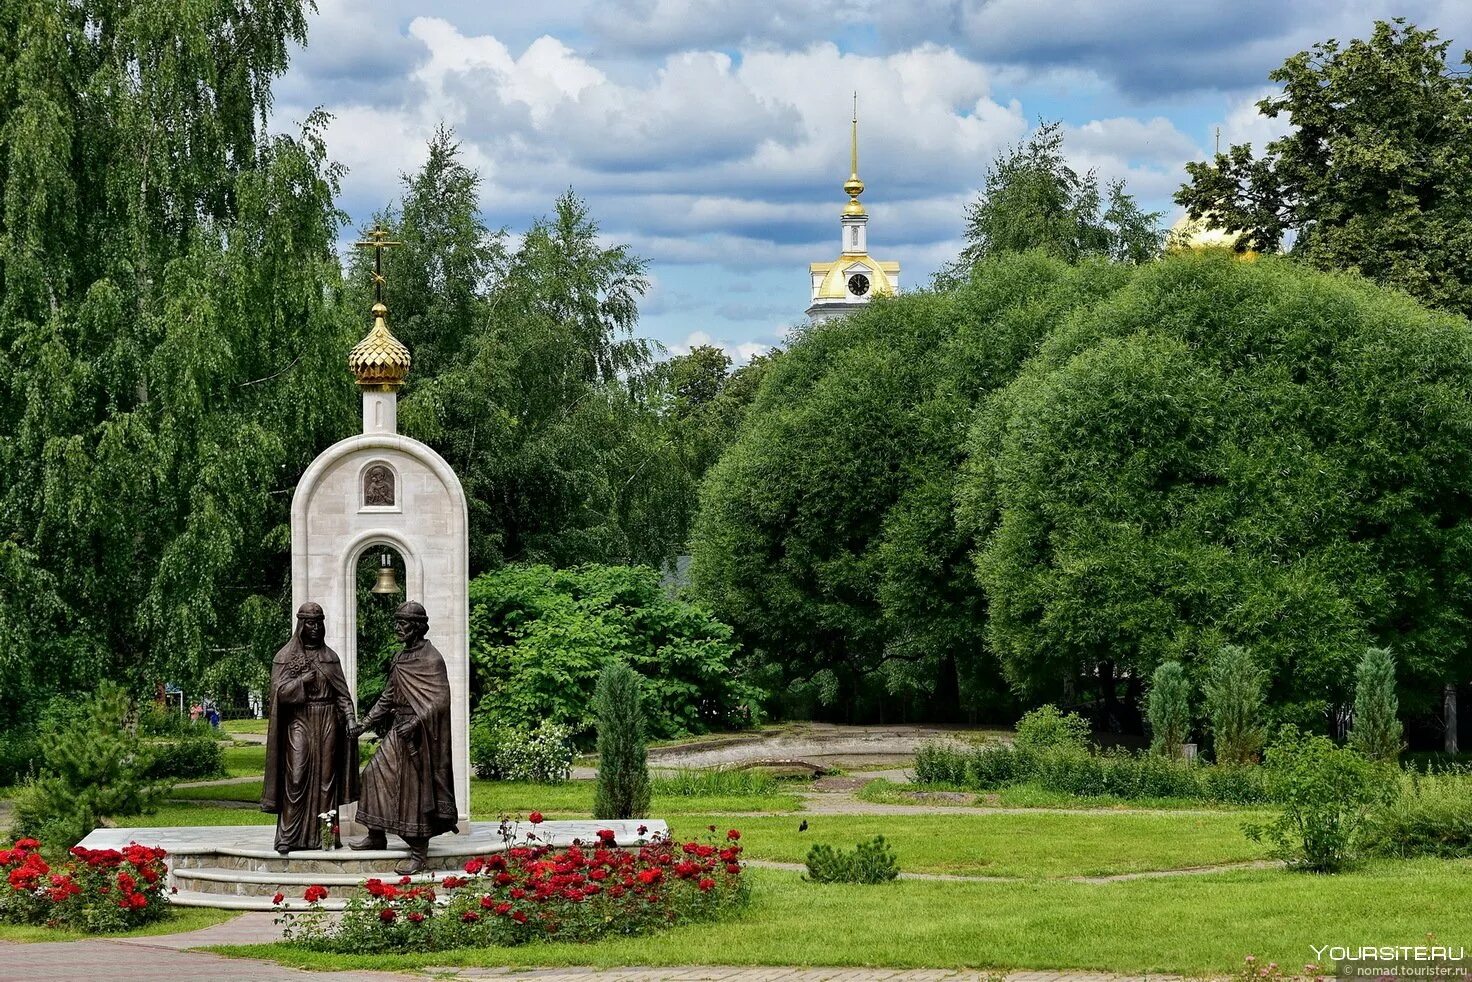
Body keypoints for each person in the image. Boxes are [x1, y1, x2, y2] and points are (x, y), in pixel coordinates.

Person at [349, 601, 456, 874]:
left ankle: (419, 854)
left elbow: (440, 701)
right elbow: (387, 697)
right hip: (399, 730)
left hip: (420, 736)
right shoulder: (400, 658)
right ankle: (376, 834)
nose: (398, 628)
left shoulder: (432, 659)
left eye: (403, 623)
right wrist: (365, 723)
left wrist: (417, 722)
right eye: (397, 622)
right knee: (372, 774)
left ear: (418, 627)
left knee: (415, 793)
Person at [261, 603, 360, 854]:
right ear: (301, 625)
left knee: (327, 779)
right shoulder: (284, 657)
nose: (315, 628)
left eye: (319, 623)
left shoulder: (330, 658)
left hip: (328, 720)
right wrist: (302, 682)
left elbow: (342, 695)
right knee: (296, 777)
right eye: (310, 623)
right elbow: (279, 694)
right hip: (300, 721)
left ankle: (325, 836)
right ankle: (288, 835)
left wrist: (350, 719)